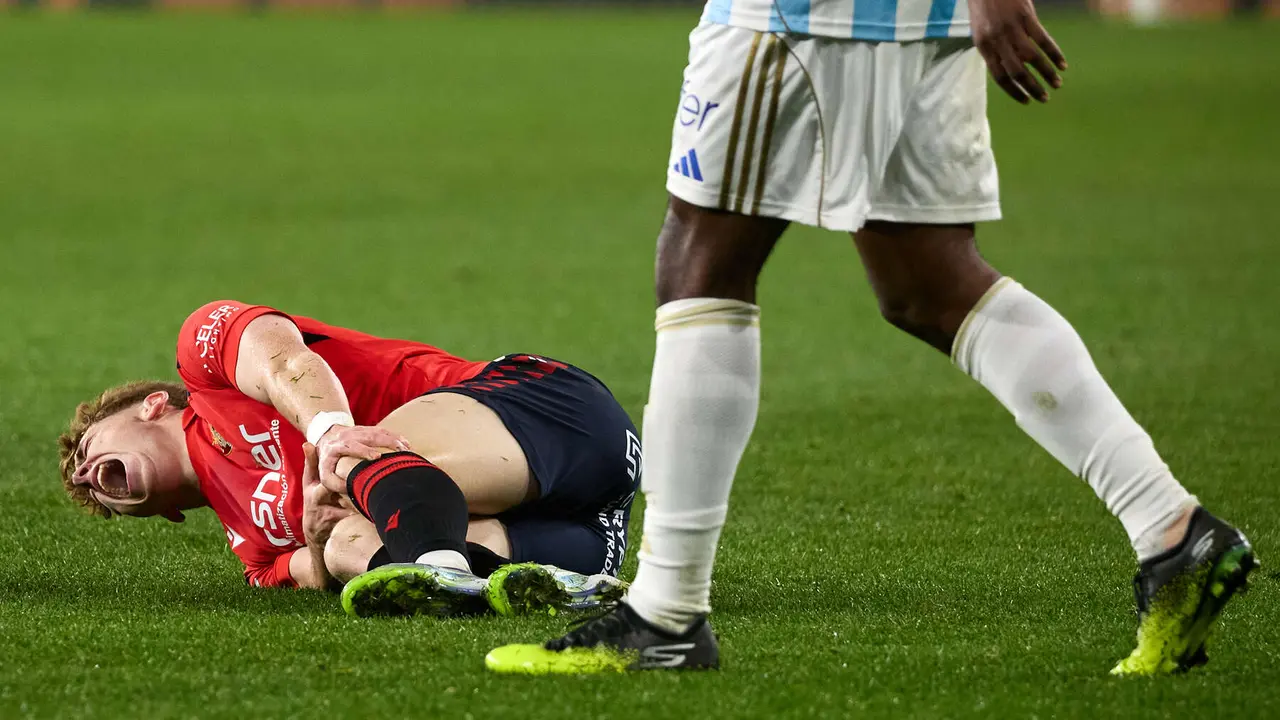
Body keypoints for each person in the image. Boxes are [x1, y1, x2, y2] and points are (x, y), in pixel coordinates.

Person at [484, 0, 1256, 675]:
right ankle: (1172, 533)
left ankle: (666, 613)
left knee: (700, 267)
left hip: (811, 17)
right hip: (921, 21)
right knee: (928, 285)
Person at [58, 300, 639, 618]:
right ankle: (540, 583)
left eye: (87, 450)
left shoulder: (207, 370)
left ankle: (445, 571)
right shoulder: (254, 550)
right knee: (342, 544)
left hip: (551, 415)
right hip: (577, 535)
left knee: (343, 460)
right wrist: (311, 537)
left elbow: (283, 359)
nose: (88, 476)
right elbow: (313, 574)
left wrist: (330, 430)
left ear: (150, 405)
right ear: (166, 515)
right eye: (92, 492)